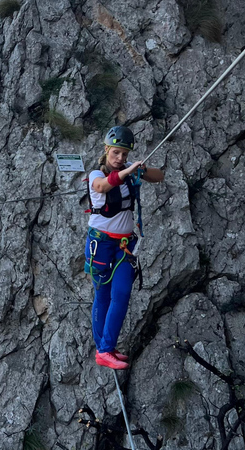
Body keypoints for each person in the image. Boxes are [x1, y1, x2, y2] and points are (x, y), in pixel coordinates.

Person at [84, 126, 164, 370]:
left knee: (121, 295)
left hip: (125, 245)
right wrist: (127, 170)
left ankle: (106, 348)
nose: (120, 158)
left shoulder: (128, 173)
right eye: (116, 153)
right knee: (104, 295)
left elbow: (159, 176)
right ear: (107, 150)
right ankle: (104, 350)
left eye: (124, 154)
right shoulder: (95, 174)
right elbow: (100, 187)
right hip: (102, 244)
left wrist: (140, 169)